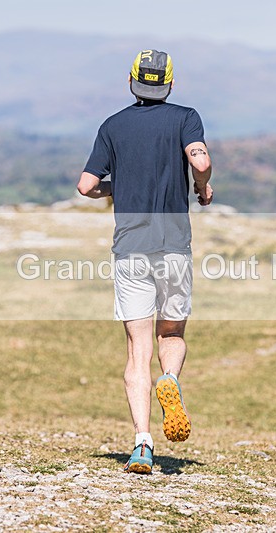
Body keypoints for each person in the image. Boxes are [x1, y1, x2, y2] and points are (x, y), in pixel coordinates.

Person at [76, 49, 213, 474]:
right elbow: (200, 159)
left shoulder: (112, 126)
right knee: (170, 331)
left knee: (137, 349)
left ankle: (141, 445)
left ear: (132, 80)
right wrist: (202, 186)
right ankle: (169, 380)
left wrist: (118, 186)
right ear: (169, 82)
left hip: (131, 246)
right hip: (173, 243)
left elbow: (86, 186)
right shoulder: (185, 117)